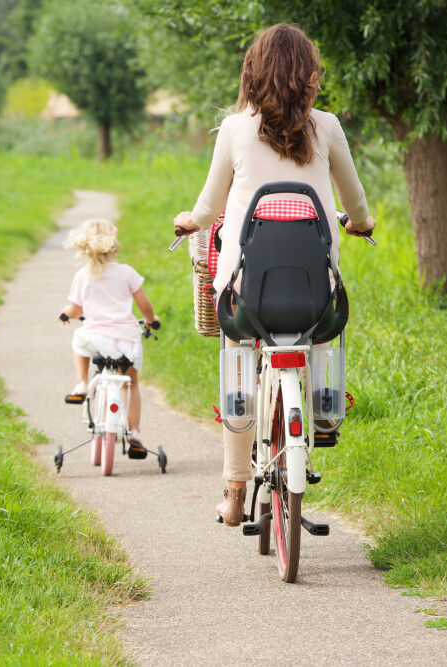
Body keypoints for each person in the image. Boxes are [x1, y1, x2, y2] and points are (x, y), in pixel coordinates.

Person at [172, 24, 377, 526]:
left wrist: (188, 222)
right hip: (314, 296)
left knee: (238, 358)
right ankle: (325, 412)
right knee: (325, 326)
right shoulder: (326, 126)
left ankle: (235, 490)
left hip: (247, 297)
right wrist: (361, 224)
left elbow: (208, 207)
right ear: (309, 76)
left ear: (253, 73)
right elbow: (355, 202)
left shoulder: (236, 130)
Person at [58, 218, 159, 451]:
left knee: (78, 341)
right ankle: (135, 432)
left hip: (95, 338)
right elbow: (145, 306)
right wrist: (151, 321)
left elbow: (75, 310)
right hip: (126, 340)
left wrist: (64, 314)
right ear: (116, 246)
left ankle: (81, 383)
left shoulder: (83, 276)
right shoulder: (127, 273)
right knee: (131, 383)